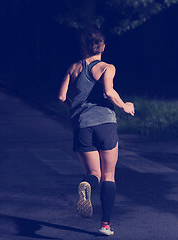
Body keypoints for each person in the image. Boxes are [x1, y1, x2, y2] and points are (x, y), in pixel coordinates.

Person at [58, 29, 135, 236]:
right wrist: (124, 106)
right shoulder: (106, 67)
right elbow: (109, 92)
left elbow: (62, 97)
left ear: (83, 47)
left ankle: (86, 184)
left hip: (82, 125)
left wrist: (75, 110)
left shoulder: (73, 67)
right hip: (105, 124)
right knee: (109, 175)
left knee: (94, 174)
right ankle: (105, 225)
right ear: (103, 47)